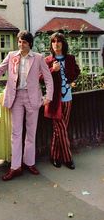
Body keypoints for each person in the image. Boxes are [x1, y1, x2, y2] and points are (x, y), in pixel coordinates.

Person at [0, 30, 53, 181]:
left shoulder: (38, 58)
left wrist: (48, 97)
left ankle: (29, 162)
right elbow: (0, 69)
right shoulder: (12, 55)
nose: (20, 44)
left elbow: (48, 78)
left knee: (31, 132)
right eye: (19, 41)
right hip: (16, 97)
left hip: (32, 98)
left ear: (29, 43)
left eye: (24, 42)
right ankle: (15, 167)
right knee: (16, 133)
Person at [44, 32, 80, 170]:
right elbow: (41, 77)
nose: (56, 44)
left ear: (63, 44)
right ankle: (67, 158)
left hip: (68, 99)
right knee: (62, 129)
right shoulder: (47, 60)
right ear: (51, 45)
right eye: (53, 41)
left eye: (59, 41)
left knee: (58, 130)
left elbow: (77, 71)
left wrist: (70, 80)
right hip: (54, 101)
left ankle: (54, 156)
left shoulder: (70, 58)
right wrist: (53, 70)